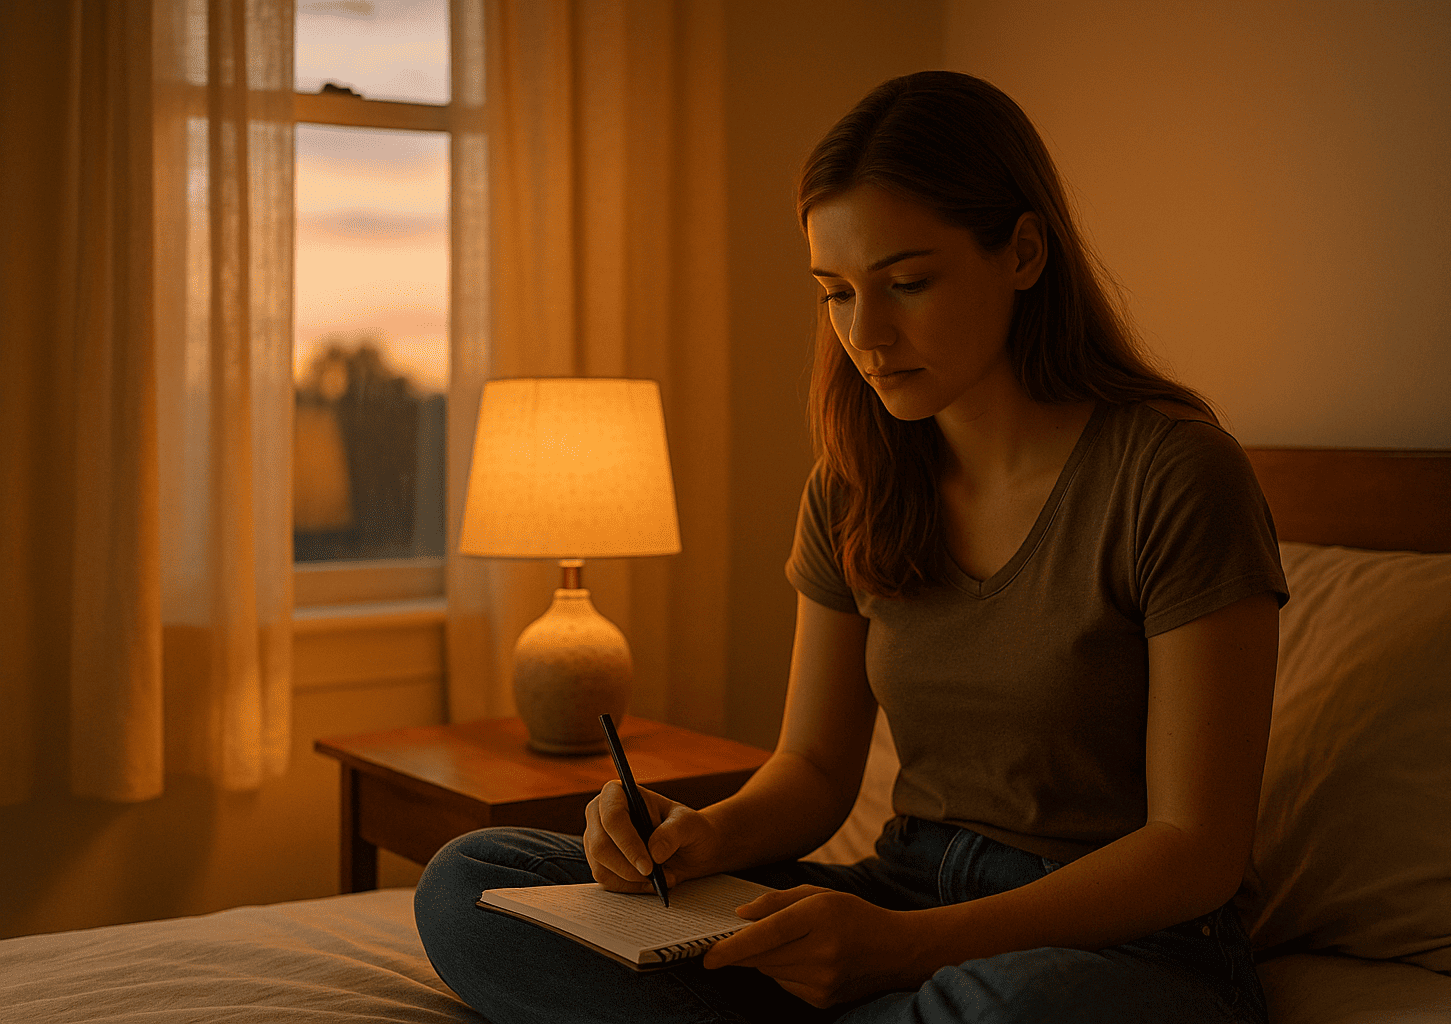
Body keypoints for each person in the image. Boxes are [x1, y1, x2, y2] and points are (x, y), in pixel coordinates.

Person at [414, 70, 1287, 1024]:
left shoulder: (1174, 474)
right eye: (836, 293)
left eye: (908, 284)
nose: (866, 335)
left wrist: (908, 950)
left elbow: (1197, 848)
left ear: (1025, 252)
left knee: (1009, 1006)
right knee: (478, 877)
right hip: (902, 887)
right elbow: (817, 773)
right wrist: (697, 838)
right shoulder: (854, 481)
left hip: (1112, 941)